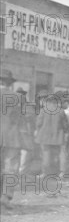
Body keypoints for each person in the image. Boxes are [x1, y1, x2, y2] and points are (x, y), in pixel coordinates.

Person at [1, 69, 23, 207]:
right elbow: (18, 119)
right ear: (9, 82)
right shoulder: (16, 97)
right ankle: (6, 197)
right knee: (10, 167)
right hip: (11, 136)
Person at [35, 91, 69, 178]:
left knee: (46, 155)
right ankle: (61, 173)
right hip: (58, 137)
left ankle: (45, 173)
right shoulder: (61, 111)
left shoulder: (43, 111)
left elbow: (38, 124)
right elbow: (65, 126)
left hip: (45, 137)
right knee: (59, 155)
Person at [16, 87, 35, 175]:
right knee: (23, 152)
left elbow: (31, 119)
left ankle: (21, 171)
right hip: (20, 132)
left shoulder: (28, 106)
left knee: (24, 152)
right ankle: (20, 171)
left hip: (24, 131)